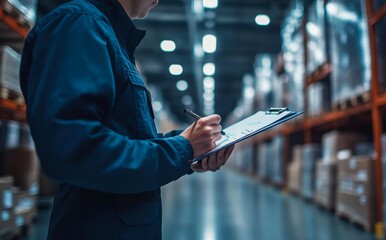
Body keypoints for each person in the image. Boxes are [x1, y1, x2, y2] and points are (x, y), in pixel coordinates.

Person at [19, 0, 234, 238]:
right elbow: (74, 150)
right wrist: (182, 149)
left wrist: (191, 149)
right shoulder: (80, 25)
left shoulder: (109, 36)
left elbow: (126, 138)